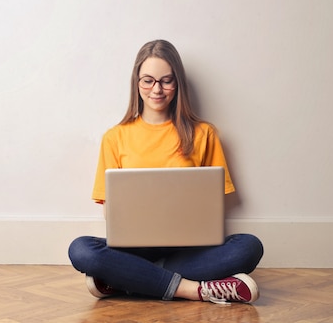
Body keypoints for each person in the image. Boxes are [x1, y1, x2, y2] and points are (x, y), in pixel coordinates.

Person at [68, 40, 264, 304]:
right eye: (148, 80)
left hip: (190, 250)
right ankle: (195, 290)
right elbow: (109, 211)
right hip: (134, 250)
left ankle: (126, 280)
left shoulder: (204, 133)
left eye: (166, 81)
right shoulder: (115, 137)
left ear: (178, 83)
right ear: (136, 83)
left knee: (249, 246)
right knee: (81, 250)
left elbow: (214, 206)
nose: (156, 89)